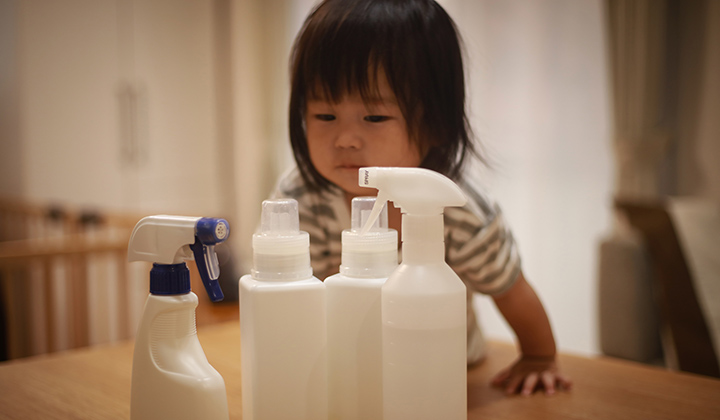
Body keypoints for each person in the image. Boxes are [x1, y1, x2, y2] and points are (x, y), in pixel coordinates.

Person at [270, 0, 572, 396]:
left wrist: (538, 357)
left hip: (446, 373)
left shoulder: (459, 210)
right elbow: (287, 302)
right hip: (346, 375)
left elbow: (512, 290)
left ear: (435, 124)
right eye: (325, 116)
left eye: (374, 117)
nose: (344, 139)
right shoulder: (301, 199)